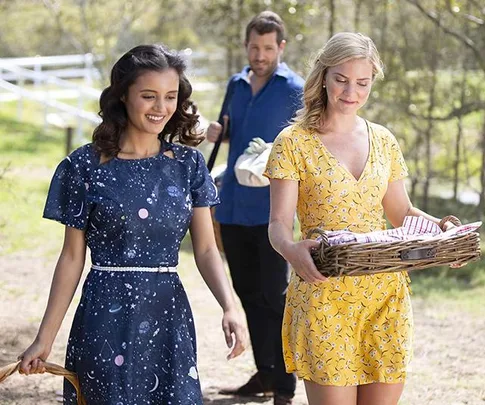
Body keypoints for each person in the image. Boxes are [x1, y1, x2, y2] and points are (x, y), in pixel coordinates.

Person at [18, 44, 247, 405]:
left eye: (170, 97)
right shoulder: (85, 167)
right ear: (123, 95)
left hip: (167, 315)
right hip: (103, 316)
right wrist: (44, 339)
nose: (161, 108)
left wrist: (230, 305)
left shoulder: (189, 165)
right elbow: (71, 259)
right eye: (149, 96)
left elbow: (205, 250)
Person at [264, 32, 459, 405]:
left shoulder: (384, 139)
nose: (351, 91)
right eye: (341, 80)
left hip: (384, 295)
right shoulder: (293, 142)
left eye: (362, 82)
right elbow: (277, 224)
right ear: (323, 76)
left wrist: (443, 229)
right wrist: (291, 250)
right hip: (324, 293)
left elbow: (401, 212)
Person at [206, 10, 303, 405]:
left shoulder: (294, 88)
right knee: (246, 293)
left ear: (281, 47)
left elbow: (306, 138)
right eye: (253, 47)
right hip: (231, 206)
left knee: (273, 296)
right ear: (246, 46)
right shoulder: (236, 83)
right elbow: (230, 129)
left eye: (267, 48)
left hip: (271, 210)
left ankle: (284, 385)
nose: (260, 55)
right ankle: (264, 375)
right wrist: (219, 132)